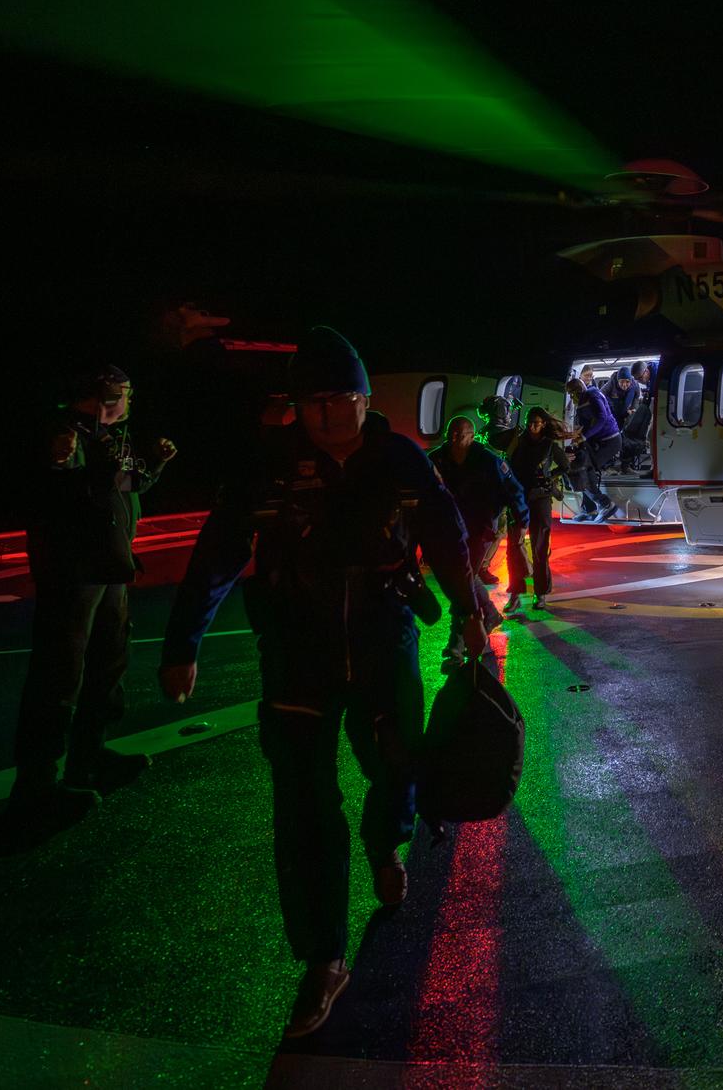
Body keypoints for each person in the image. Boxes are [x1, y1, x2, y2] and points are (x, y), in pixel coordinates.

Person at [159, 327, 483, 1038]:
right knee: (303, 806)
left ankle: (384, 841)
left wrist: (469, 615)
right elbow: (220, 550)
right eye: (314, 402)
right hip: (296, 653)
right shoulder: (268, 467)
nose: (329, 414)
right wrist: (184, 643)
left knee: (397, 765)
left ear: (366, 399)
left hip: (383, 646)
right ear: (297, 408)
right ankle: (325, 958)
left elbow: (448, 536)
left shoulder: (400, 459)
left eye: (342, 399)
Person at [12, 365, 175, 821]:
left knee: (107, 662)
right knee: (60, 673)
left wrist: (154, 464)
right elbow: (56, 488)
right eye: (120, 394)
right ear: (101, 396)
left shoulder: (108, 437)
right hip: (73, 572)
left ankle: (89, 756)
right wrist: (69, 460)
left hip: (110, 568)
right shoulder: (63, 435)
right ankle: (37, 782)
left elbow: (125, 485)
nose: (126, 402)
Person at [428, 414, 526, 667]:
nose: (454, 438)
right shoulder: (437, 459)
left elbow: (514, 489)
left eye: (460, 434)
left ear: (472, 437)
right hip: (449, 528)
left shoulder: (488, 460)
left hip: (480, 528)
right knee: (462, 579)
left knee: (463, 579)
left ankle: (455, 646)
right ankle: (490, 614)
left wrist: (521, 521)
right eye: (451, 433)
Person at [501, 406, 572, 614]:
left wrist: (550, 478)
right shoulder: (517, 442)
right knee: (513, 546)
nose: (532, 426)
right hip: (519, 498)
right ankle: (515, 592)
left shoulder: (549, 445)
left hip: (540, 499)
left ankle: (540, 592)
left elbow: (565, 466)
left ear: (543, 425)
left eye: (536, 423)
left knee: (540, 548)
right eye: (530, 422)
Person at [564, 375, 621, 521]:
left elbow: (602, 418)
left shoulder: (592, 395)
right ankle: (589, 509)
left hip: (610, 441)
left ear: (578, 390)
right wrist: (577, 437)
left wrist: (584, 436)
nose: (571, 396)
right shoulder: (584, 399)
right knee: (577, 467)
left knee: (584, 469)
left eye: (572, 393)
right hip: (598, 441)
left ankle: (605, 504)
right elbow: (585, 423)